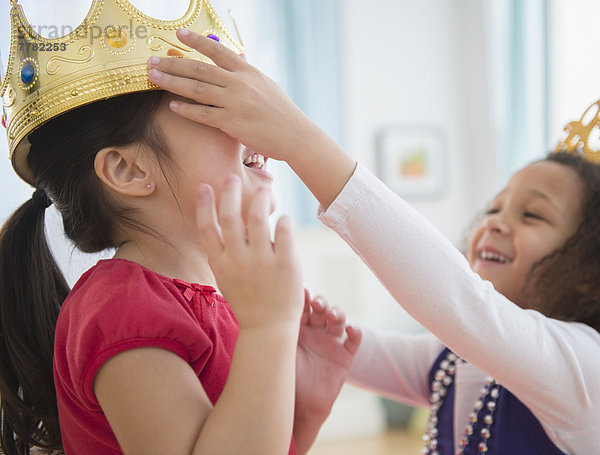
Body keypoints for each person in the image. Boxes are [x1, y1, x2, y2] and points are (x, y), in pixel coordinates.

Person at [147, 28, 600, 454]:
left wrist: (299, 139)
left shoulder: (584, 366)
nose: (498, 223)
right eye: (496, 207)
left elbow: (458, 299)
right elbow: (346, 348)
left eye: (533, 214)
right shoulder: (447, 361)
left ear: (589, 272)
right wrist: (265, 300)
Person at [0, 6, 361, 455]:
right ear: (127, 169)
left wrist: (303, 410)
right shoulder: (119, 308)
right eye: (215, 108)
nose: (256, 124)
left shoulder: (220, 300)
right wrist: (269, 330)